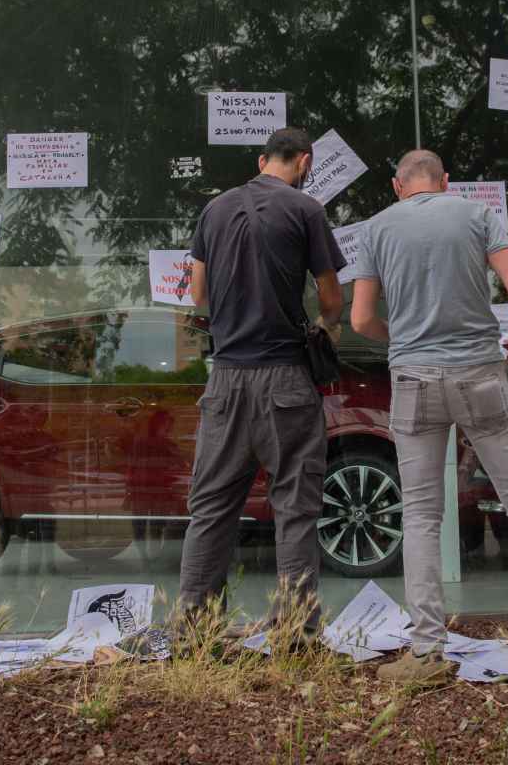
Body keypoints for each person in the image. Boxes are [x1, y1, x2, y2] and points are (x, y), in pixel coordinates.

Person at [349, 149, 508, 683]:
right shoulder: (478, 216)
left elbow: (362, 319)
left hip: (414, 381)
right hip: (480, 374)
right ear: (446, 182)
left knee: (421, 514)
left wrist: (403, 341)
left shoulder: (377, 228)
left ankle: (427, 650)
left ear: (397, 186)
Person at [176, 127, 346, 635]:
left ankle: (195, 632)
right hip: (286, 380)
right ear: (305, 162)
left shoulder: (215, 210)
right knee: (294, 508)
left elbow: (198, 295)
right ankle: (295, 633)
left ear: (261, 159)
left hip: (226, 379)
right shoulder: (306, 209)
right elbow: (331, 296)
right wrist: (323, 327)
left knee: (210, 508)